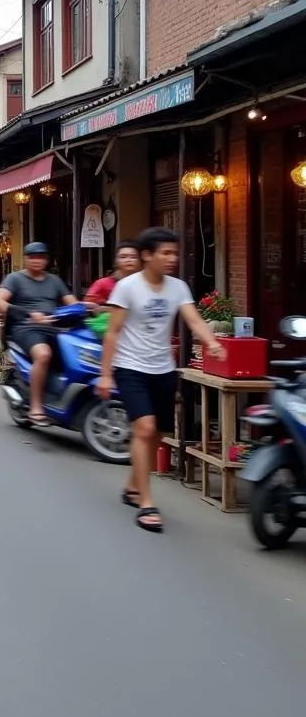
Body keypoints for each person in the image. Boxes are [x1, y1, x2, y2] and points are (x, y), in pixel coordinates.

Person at [97, 227, 226, 533]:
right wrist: (104, 374)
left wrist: (213, 342)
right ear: (147, 256)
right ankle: (146, 504)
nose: (172, 259)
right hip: (130, 367)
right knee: (145, 428)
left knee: (160, 433)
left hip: (162, 369)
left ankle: (131, 485)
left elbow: (193, 319)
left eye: (174, 253)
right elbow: (112, 333)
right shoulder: (127, 288)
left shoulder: (178, 287)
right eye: (165, 253)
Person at [0, 243, 78, 426]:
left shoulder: (55, 281)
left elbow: (73, 303)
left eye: (41, 257)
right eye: (32, 256)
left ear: (46, 260)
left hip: (55, 329)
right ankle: (36, 406)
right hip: (26, 328)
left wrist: (88, 307)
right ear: (26, 259)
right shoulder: (14, 279)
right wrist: (28, 314)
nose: (37, 260)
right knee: (43, 354)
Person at [85, 240, 141, 311]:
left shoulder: (145, 282)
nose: (128, 260)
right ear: (116, 260)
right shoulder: (102, 283)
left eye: (133, 257)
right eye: (123, 257)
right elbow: (87, 307)